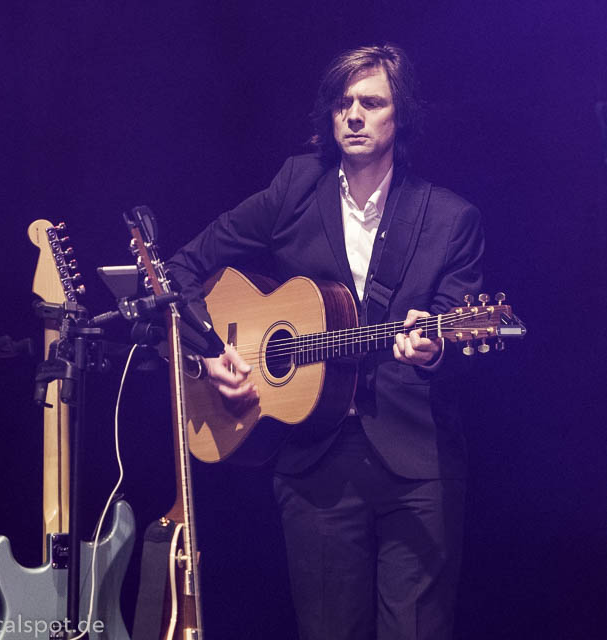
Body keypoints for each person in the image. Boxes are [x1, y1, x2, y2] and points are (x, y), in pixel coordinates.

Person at [167, 43, 485, 640]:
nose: (355, 116)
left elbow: (453, 325)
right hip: (314, 461)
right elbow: (183, 269)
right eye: (343, 104)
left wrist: (434, 346)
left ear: (401, 115)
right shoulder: (295, 187)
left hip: (417, 464)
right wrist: (209, 354)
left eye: (371, 103)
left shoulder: (450, 218)